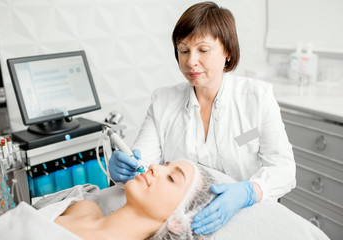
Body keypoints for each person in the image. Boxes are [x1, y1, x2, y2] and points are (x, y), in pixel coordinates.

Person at [108, 1, 296, 236]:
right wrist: (123, 172)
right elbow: (142, 166)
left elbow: (283, 168)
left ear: (227, 51)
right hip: (182, 223)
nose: (190, 61)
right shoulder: (162, 102)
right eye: (183, 50)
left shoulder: (257, 98)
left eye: (203, 50)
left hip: (246, 215)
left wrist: (249, 191)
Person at [55, 160, 217, 239]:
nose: (154, 166)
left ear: (179, 222)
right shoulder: (84, 206)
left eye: (171, 178)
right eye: (164, 164)